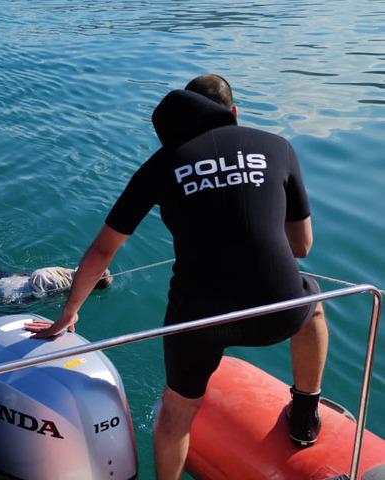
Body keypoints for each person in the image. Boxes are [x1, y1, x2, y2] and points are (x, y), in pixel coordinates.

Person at [24, 74, 329, 479]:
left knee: (178, 410)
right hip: (279, 310)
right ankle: (305, 413)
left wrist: (68, 314)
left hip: (199, 321)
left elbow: (103, 249)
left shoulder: (162, 164)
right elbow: (302, 245)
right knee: (314, 306)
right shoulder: (276, 146)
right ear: (233, 113)